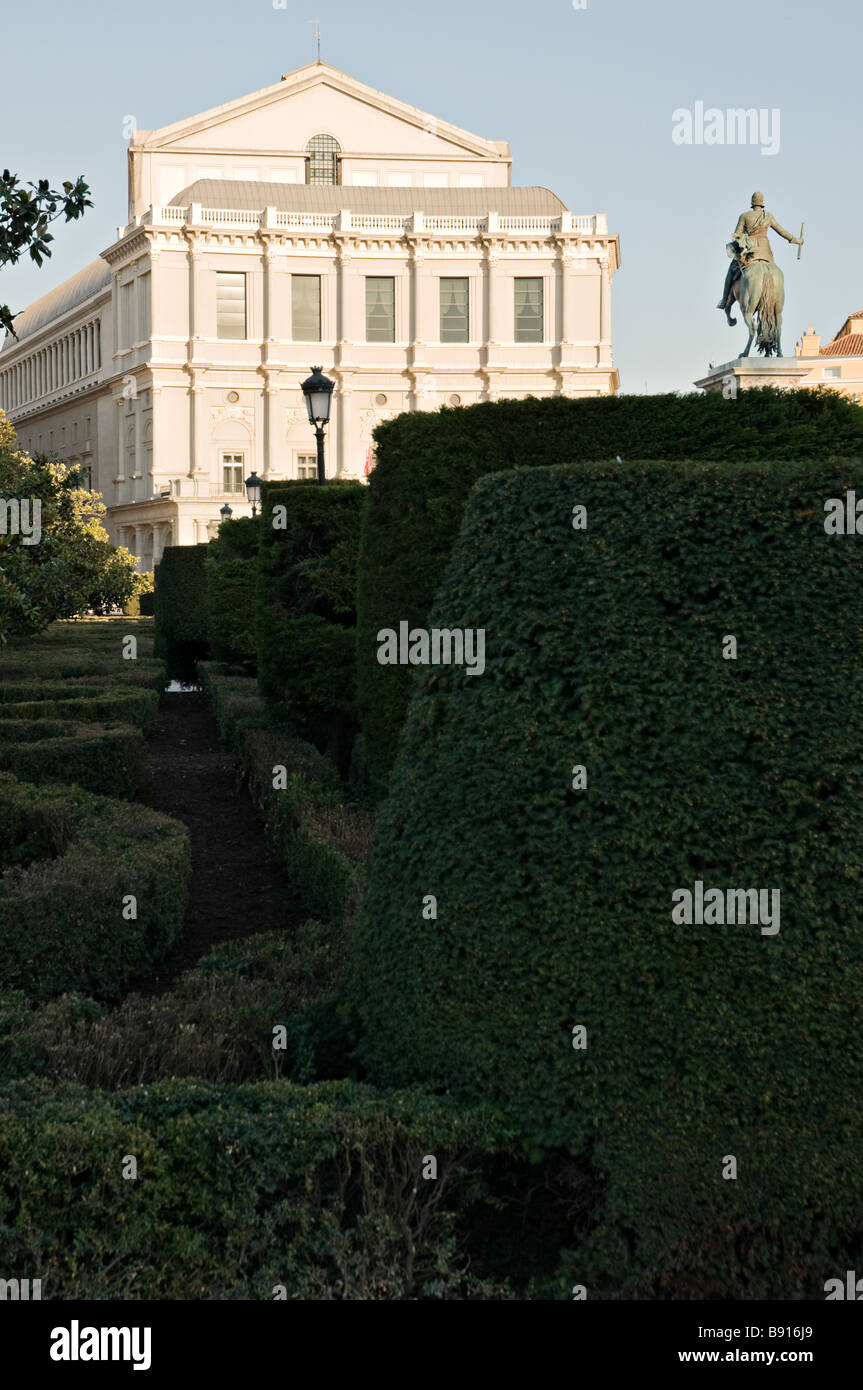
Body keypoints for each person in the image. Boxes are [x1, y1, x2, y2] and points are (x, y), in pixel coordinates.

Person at [718, 193, 803, 314]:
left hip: (750, 252)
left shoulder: (744, 216)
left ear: (752, 203)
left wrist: (741, 240)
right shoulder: (768, 216)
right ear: (762, 203)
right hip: (765, 252)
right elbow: (782, 231)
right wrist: (796, 240)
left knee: (730, 272)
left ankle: (724, 299)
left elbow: (736, 235)